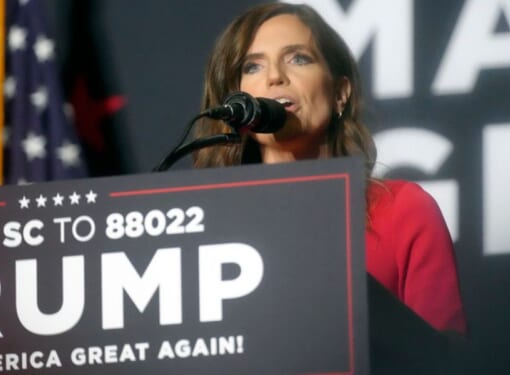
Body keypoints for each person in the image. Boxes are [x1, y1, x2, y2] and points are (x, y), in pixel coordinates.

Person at [193, 2, 466, 334]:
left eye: (298, 59)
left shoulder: (403, 210)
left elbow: (441, 355)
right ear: (235, 106)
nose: (275, 76)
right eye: (252, 67)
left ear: (340, 93)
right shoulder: (207, 228)